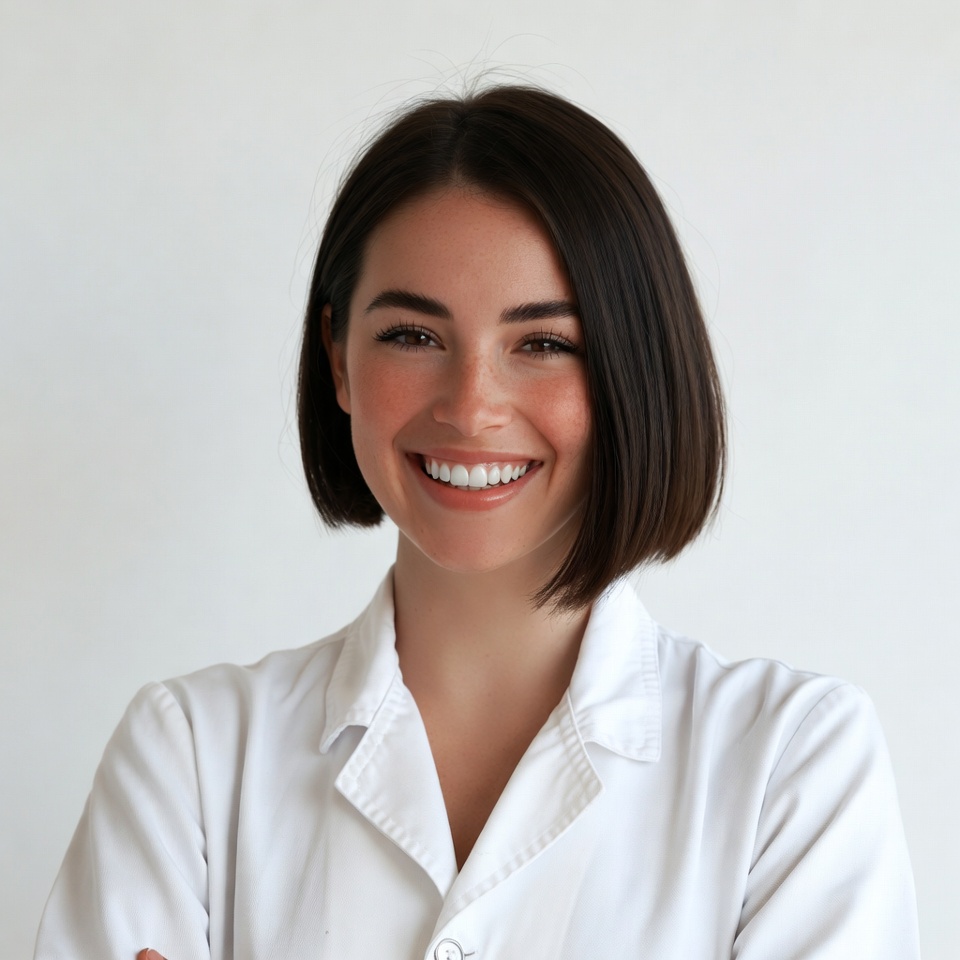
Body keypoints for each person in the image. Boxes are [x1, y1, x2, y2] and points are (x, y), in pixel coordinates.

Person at [35, 85, 921, 960]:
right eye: (412, 337)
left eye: (542, 344)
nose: (470, 407)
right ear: (337, 360)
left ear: (632, 372)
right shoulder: (189, 755)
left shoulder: (790, 766)